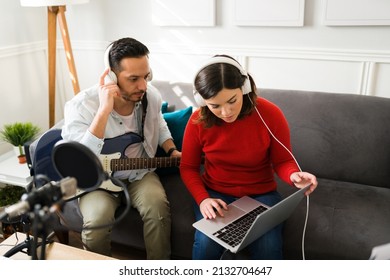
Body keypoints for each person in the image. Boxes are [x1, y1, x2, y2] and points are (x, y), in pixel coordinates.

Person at [179, 55, 318, 260]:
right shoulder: (197, 121)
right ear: (202, 101)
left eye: (232, 101)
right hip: (215, 196)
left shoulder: (270, 113)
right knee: (206, 244)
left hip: (262, 195)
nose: (225, 112)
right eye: (214, 105)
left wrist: (293, 175)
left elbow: (282, 161)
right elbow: (188, 167)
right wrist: (203, 200)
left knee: (269, 247)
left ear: (245, 88)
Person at [61, 37, 181, 259]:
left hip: (139, 173)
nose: (143, 85)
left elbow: (159, 123)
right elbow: (79, 160)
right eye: (133, 79)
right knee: (96, 224)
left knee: (158, 211)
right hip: (96, 180)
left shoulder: (150, 95)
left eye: (146, 76)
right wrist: (104, 111)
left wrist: (172, 149)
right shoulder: (81, 106)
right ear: (111, 77)